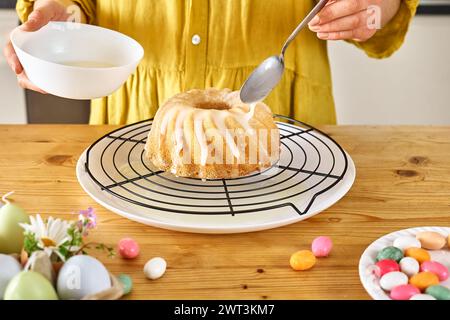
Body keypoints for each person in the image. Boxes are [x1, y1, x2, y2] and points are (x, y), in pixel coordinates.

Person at [4, 0, 418, 125]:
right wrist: (65, 21)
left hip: (285, 129)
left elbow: (380, 18)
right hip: (137, 125)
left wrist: (375, 9)